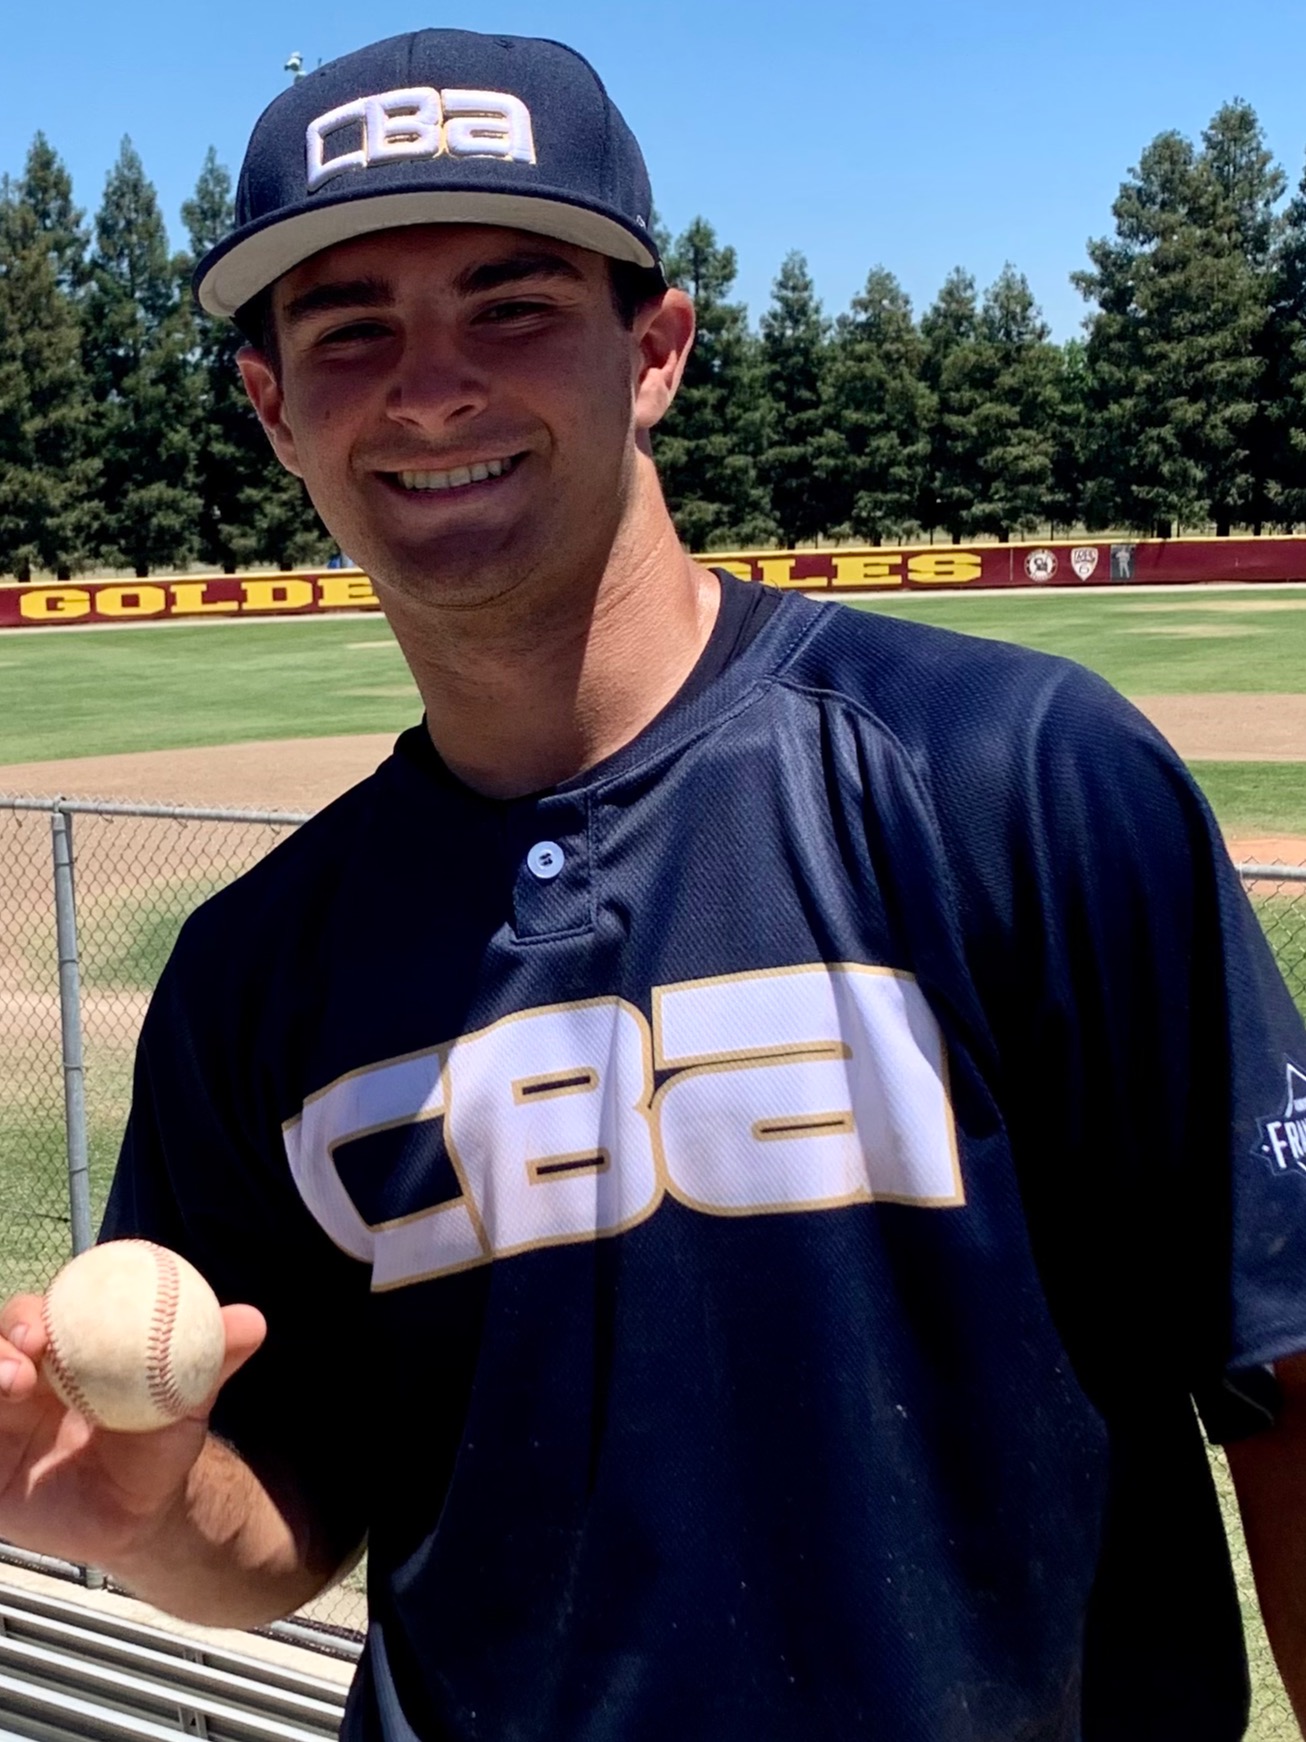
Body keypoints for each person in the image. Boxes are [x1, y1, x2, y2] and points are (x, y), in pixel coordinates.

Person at [2, 28, 1306, 1742]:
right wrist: (151, 1512)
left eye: (512, 303)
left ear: (656, 349)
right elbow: (290, 1511)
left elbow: (1285, 1369)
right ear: (273, 410)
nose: (431, 387)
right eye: (349, 329)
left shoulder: (1014, 778)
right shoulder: (258, 969)